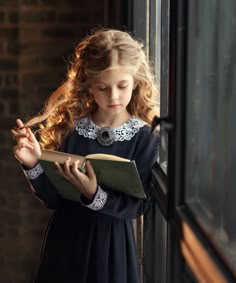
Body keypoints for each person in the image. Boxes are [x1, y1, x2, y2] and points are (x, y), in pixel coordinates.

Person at [11, 29, 160, 283]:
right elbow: (54, 200)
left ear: (135, 81)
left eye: (122, 86)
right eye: (102, 87)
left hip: (111, 247)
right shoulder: (72, 128)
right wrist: (33, 163)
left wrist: (95, 195)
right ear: (89, 85)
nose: (113, 96)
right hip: (65, 241)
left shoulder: (144, 137)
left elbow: (139, 206)